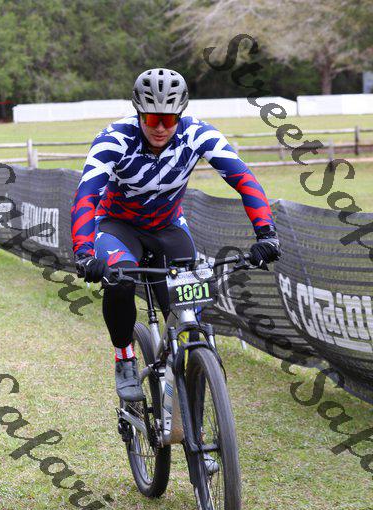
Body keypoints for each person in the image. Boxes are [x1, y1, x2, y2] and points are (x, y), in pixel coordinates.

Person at [71, 68, 281, 402]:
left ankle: (188, 374)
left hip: (167, 226)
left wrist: (266, 233)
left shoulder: (198, 134)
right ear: (139, 113)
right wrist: (84, 252)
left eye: (169, 119)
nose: (160, 127)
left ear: (180, 115)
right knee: (121, 281)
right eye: (152, 118)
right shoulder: (114, 139)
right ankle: (125, 358)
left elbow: (244, 180)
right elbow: (86, 196)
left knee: (189, 306)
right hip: (117, 225)